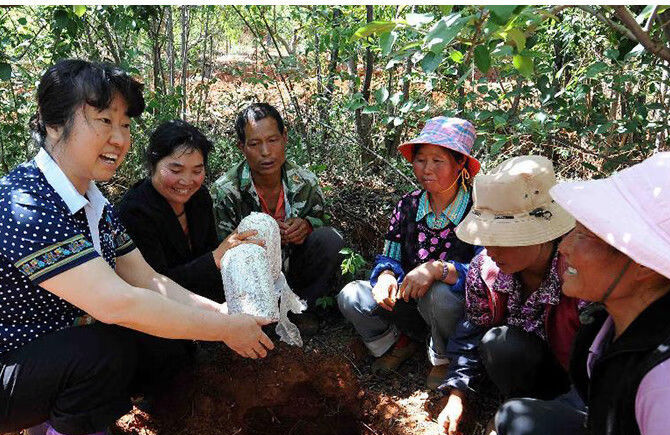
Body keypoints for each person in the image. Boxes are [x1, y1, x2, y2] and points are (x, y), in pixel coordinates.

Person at [0, 60, 272, 435]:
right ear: (54, 125)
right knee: (107, 349)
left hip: (28, 359)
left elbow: (148, 280)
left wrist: (225, 316)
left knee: (128, 339)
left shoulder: (92, 200)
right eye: (103, 120)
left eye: (125, 124)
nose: (119, 137)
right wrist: (222, 330)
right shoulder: (24, 203)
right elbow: (117, 302)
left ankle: (47, 425)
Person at [494, 151, 670, 435]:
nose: (564, 246)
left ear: (644, 264)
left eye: (587, 235)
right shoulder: (605, 322)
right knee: (514, 417)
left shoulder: (669, 382)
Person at [435, 156, 579, 435]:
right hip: (516, 366)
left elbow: (596, 364)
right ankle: (515, 404)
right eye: (487, 237)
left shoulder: (579, 277)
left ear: (543, 235)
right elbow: (473, 331)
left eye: (504, 238)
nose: (490, 248)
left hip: (570, 380)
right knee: (500, 343)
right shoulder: (485, 268)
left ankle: (529, 414)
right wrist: (457, 394)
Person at [337, 117, 480, 383]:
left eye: (438, 161)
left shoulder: (477, 210)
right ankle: (400, 343)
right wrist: (387, 275)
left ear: (460, 163)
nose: (427, 169)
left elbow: (487, 274)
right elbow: (390, 254)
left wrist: (439, 270)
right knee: (352, 295)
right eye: (420, 160)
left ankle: (446, 358)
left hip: (456, 312)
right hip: (411, 304)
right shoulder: (408, 205)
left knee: (439, 294)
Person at [211, 102, 344, 336]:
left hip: (295, 268)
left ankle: (301, 310)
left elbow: (323, 219)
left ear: (284, 138)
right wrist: (258, 240)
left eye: (272, 140)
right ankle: (253, 318)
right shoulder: (226, 191)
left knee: (330, 239)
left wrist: (307, 227)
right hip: (252, 275)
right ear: (241, 147)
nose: (265, 152)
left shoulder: (305, 182)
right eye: (254, 143)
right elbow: (222, 249)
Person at [117, 119, 262, 303]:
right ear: (153, 164)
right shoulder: (134, 211)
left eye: (196, 171)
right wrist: (215, 258)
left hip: (205, 301)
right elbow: (154, 284)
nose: (186, 181)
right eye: (176, 170)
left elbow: (208, 255)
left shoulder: (200, 197)